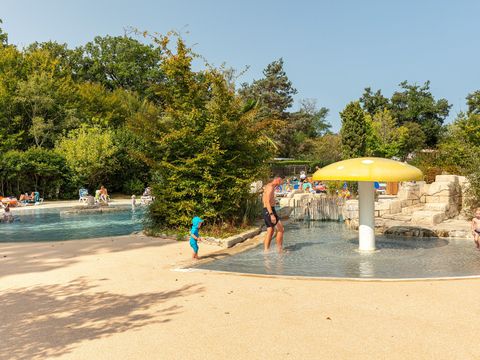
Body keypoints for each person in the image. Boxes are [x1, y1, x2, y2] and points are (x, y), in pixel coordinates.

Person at [262, 176, 285, 252]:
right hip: (269, 210)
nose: (282, 183)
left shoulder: (270, 186)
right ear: (278, 180)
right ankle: (279, 249)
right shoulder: (270, 187)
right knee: (281, 229)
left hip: (268, 210)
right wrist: (271, 214)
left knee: (270, 230)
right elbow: (267, 201)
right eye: (282, 181)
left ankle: (266, 250)